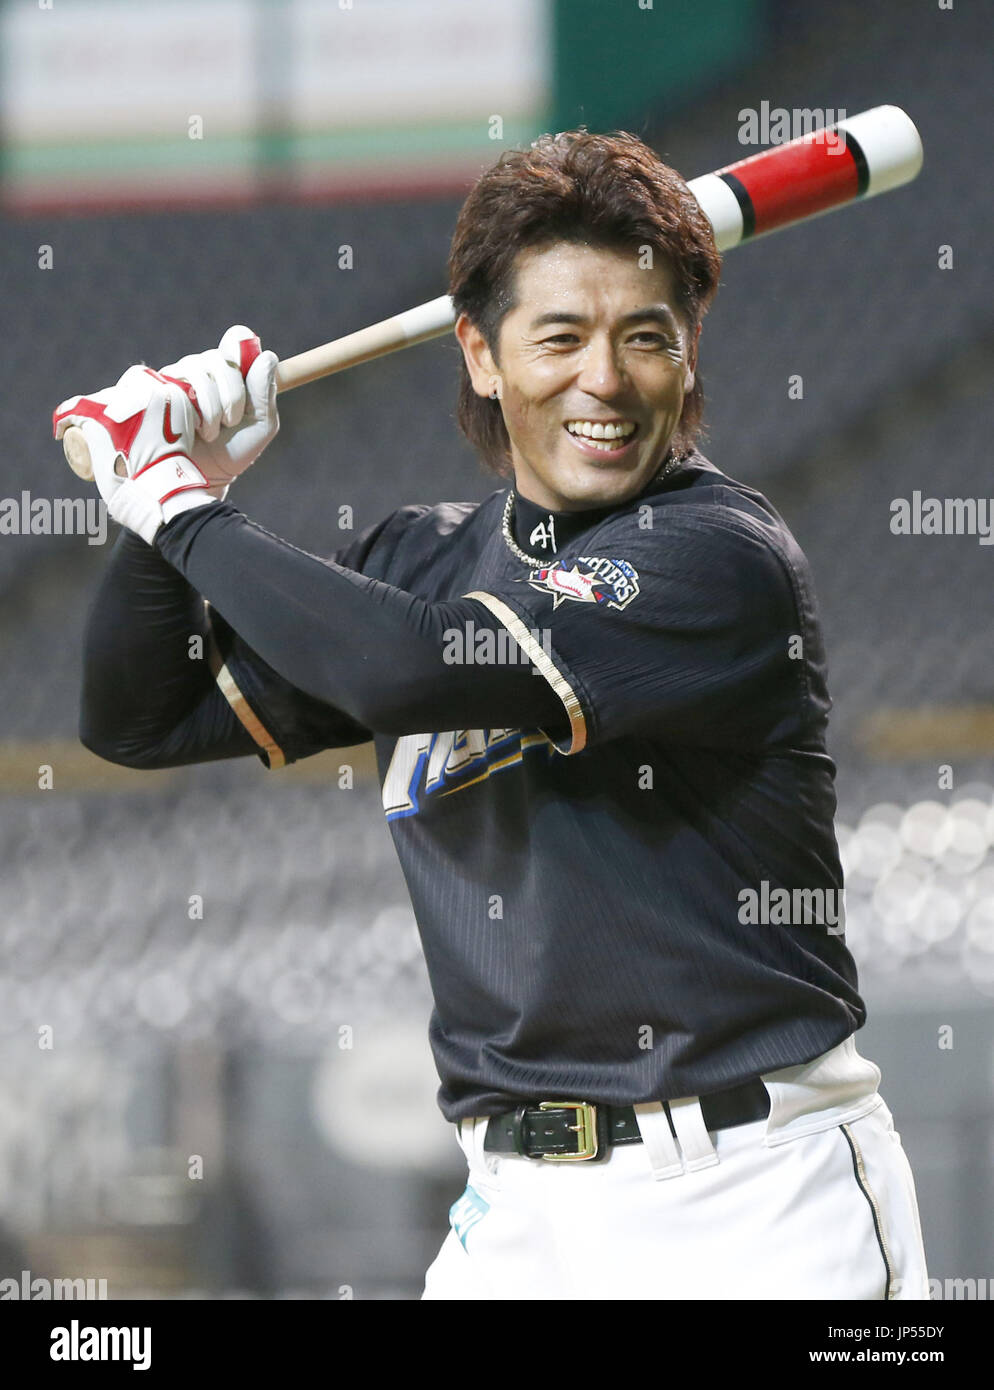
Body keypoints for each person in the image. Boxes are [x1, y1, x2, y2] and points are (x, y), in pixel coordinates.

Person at [56, 130, 929, 1301]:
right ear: (479, 353)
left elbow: (415, 674)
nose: (604, 381)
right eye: (559, 336)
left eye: (644, 336)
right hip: (519, 1215)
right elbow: (140, 719)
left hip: (754, 1199)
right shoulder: (416, 561)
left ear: (689, 350)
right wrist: (178, 505)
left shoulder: (716, 557)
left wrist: (172, 504)